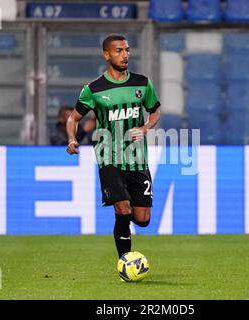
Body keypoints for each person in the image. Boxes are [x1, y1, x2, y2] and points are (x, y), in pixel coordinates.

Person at [66, 34, 161, 259]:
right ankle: (125, 262)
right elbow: (73, 117)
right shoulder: (94, 89)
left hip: (138, 159)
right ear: (106, 55)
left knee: (143, 219)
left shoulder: (142, 83)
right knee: (122, 209)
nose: (125, 54)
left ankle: (124, 227)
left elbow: (155, 110)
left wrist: (146, 127)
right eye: (118, 50)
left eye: (127, 50)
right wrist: (72, 138)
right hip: (109, 158)